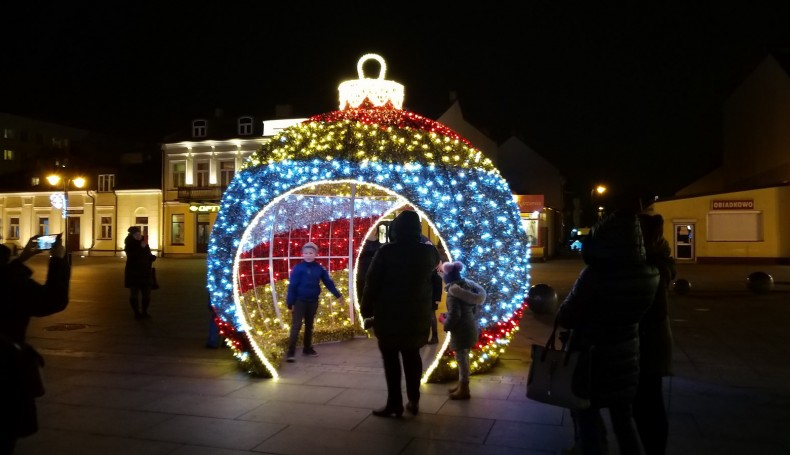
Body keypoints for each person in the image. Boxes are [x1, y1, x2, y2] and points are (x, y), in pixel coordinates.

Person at [558, 208, 659, 455]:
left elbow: (566, 316)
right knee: (624, 419)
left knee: (586, 413)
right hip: (627, 356)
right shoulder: (649, 273)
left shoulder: (596, 275)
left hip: (592, 359)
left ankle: (590, 449)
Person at [360, 210, 440, 417]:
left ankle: (394, 403)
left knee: (391, 359)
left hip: (389, 315)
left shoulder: (387, 252)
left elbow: (372, 283)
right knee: (413, 357)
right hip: (417, 315)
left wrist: (366, 310)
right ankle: (414, 400)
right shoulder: (429, 253)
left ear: (396, 229)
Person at [1, 236, 70, 453]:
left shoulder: (8, 277)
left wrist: (21, 260)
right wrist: (58, 259)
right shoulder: (12, 284)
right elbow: (52, 300)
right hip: (4, 371)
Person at [633, 213, 676, 455]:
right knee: (650, 402)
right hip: (655, 344)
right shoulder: (661, 261)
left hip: (644, 344)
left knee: (645, 405)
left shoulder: (649, 268)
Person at [285, 242, 343, 362]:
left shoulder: (319, 268)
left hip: (313, 302)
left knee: (309, 325)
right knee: (296, 326)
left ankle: (307, 348)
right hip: (299, 301)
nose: (308, 255)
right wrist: (290, 303)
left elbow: (328, 282)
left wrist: (338, 295)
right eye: (305, 253)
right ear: (302, 254)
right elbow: (292, 286)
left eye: (311, 253)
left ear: (316, 254)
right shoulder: (298, 268)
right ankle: (291, 352)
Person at [439, 261, 486, 400]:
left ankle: (464, 388)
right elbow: (468, 309)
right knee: (464, 357)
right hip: (470, 326)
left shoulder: (453, 293)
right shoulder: (467, 287)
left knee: (461, 358)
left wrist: (445, 323)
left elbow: (455, 315)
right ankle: (461, 384)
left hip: (461, 330)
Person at [124, 226, 156, 319]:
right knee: (134, 294)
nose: (138, 236)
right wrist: (141, 247)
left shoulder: (144, 242)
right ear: (132, 235)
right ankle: (136, 313)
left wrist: (152, 257)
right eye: (136, 234)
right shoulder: (129, 244)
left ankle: (145, 311)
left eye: (139, 233)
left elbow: (147, 254)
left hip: (145, 272)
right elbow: (131, 256)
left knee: (146, 294)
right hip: (134, 273)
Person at [427, 269, 442, 344]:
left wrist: (437, 299)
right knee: (429, 317)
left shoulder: (435, 276)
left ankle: (434, 337)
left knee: (432, 316)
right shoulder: (433, 275)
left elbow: (438, 289)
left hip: (432, 299)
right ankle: (432, 336)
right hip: (429, 299)